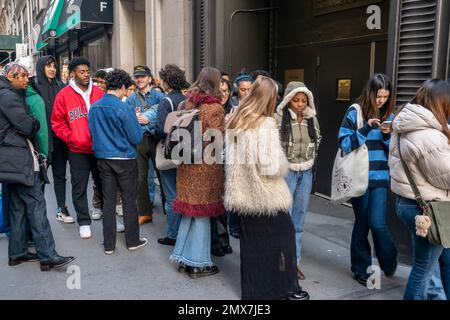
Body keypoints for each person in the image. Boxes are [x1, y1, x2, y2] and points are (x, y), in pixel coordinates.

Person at [225, 76, 309, 300]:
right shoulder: (265, 123)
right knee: (285, 236)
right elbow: (271, 166)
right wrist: (285, 164)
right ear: (269, 98)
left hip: (243, 194)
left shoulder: (237, 119)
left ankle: (253, 293)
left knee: (252, 246)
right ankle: (285, 289)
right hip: (266, 195)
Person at [0, 62, 74, 271]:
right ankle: (48, 255)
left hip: (10, 159)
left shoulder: (6, 93)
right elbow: (28, 125)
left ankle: (17, 252)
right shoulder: (8, 96)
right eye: (21, 76)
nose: (26, 80)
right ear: (11, 77)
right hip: (19, 159)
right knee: (37, 205)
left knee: (17, 206)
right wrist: (35, 122)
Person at [389, 79, 450, 300]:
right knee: (423, 269)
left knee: (444, 261)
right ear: (440, 104)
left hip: (410, 203)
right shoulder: (427, 135)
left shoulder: (408, 124)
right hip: (429, 210)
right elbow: (446, 176)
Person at [338, 73, 398, 286]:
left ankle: (389, 261)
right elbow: (344, 143)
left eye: (385, 97)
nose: (381, 101)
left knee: (378, 224)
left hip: (380, 177)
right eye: (378, 96)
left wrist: (386, 133)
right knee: (362, 224)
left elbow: (393, 149)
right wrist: (366, 128)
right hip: (359, 176)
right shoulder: (355, 112)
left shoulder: (390, 115)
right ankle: (361, 270)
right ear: (370, 93)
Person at [170, 67, 225, 278]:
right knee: (202, 214)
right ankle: (199, 263)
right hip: (205, 167)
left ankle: (183, 258)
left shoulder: (187, 102)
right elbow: (217, 139)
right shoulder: (214, 108)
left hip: (186, 165)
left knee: (189, 213)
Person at [89, 69, 148, 254]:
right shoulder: (124, 108)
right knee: (129, 200)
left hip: (103, 158)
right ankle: (132, 241)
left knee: (108, 201)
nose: (126, 92)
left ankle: (109, 244)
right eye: (126, 88)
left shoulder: (94, 107)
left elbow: (92, 133)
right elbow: (136, 136)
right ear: (122, 86)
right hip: (124, 158)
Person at [51, 57, 105, 239]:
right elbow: (57, 122)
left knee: (105, 185)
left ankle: (110, 219)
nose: (86, 75)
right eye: (82, 72)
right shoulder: (63, 95)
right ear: (73, 73)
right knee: (79, 187)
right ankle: (84, 222)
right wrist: (71, 137)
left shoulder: (99, 92)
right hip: (77, 150)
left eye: (88, 71)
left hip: (99, 148)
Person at [275, 81, 321, 281]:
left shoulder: (312, 118)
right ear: (288, 100)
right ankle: (280, 261)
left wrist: (310, 157)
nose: (300, 104)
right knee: (283, 219)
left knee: (299, 220)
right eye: (296, 100)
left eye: (304, 100)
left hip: (306, 172)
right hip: (287, 172)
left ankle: (294, 263)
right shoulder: (278, 118)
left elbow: (318, 138)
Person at [34, 55, 73, 223]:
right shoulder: (33, 87)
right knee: (39, 178)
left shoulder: (61, 86)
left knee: (60, 176)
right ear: (41, 67)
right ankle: (37, 213)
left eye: (54, 66)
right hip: (41, 142)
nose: (52, 69)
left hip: (59, 140)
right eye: (48, 66)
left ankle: (61, 208)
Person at [153, 64, 187, 246]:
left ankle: (173, 234)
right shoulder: (186, 98)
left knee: (171, 194)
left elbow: (160, 129)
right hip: (186, 150)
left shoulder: (167, 102)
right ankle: (185, 230)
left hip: (169, 151)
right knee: (182, 192)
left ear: (166, 82)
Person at [126, 65, 164, 226]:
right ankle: (144, 212)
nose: (139, 79)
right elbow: (127, 121)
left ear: (149, 78)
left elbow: (165, 117)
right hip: (140, 140)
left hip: (157, 139)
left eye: (142, 76)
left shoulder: (159, 96)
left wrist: (149, 121)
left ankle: (169, 208)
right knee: (141, 177)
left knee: (163, 175)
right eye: (137, 77)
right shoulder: (131, 99)